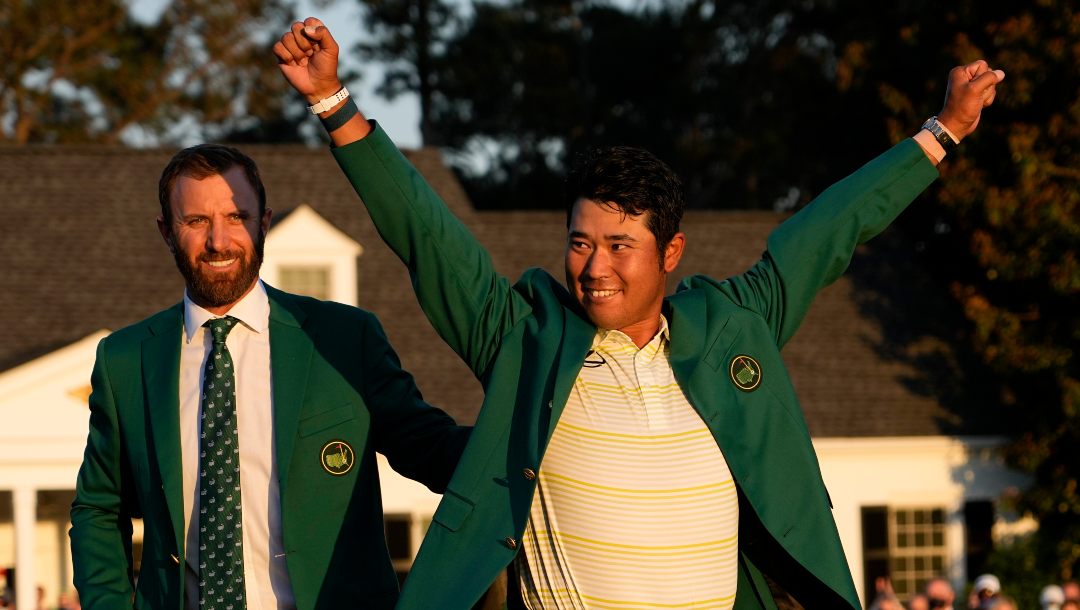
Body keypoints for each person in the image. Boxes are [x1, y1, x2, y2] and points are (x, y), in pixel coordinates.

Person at [274, 16, 1004, 610]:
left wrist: (942, 130)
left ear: (672, 251)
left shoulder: (733, 328)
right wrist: (334, 104)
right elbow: (426, 237)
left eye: (620, 245)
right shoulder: (524, 341)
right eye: (581, 242)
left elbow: (829, 232)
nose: (594, 266)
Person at [69, 143, 471, 609]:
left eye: (237, 216)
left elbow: (431, 448)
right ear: (166, 231)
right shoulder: (125, 360)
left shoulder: (344, 339)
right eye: (196, 221)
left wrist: (536, 445)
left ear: (265, 222)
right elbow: (98, 509)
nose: (218, 240)